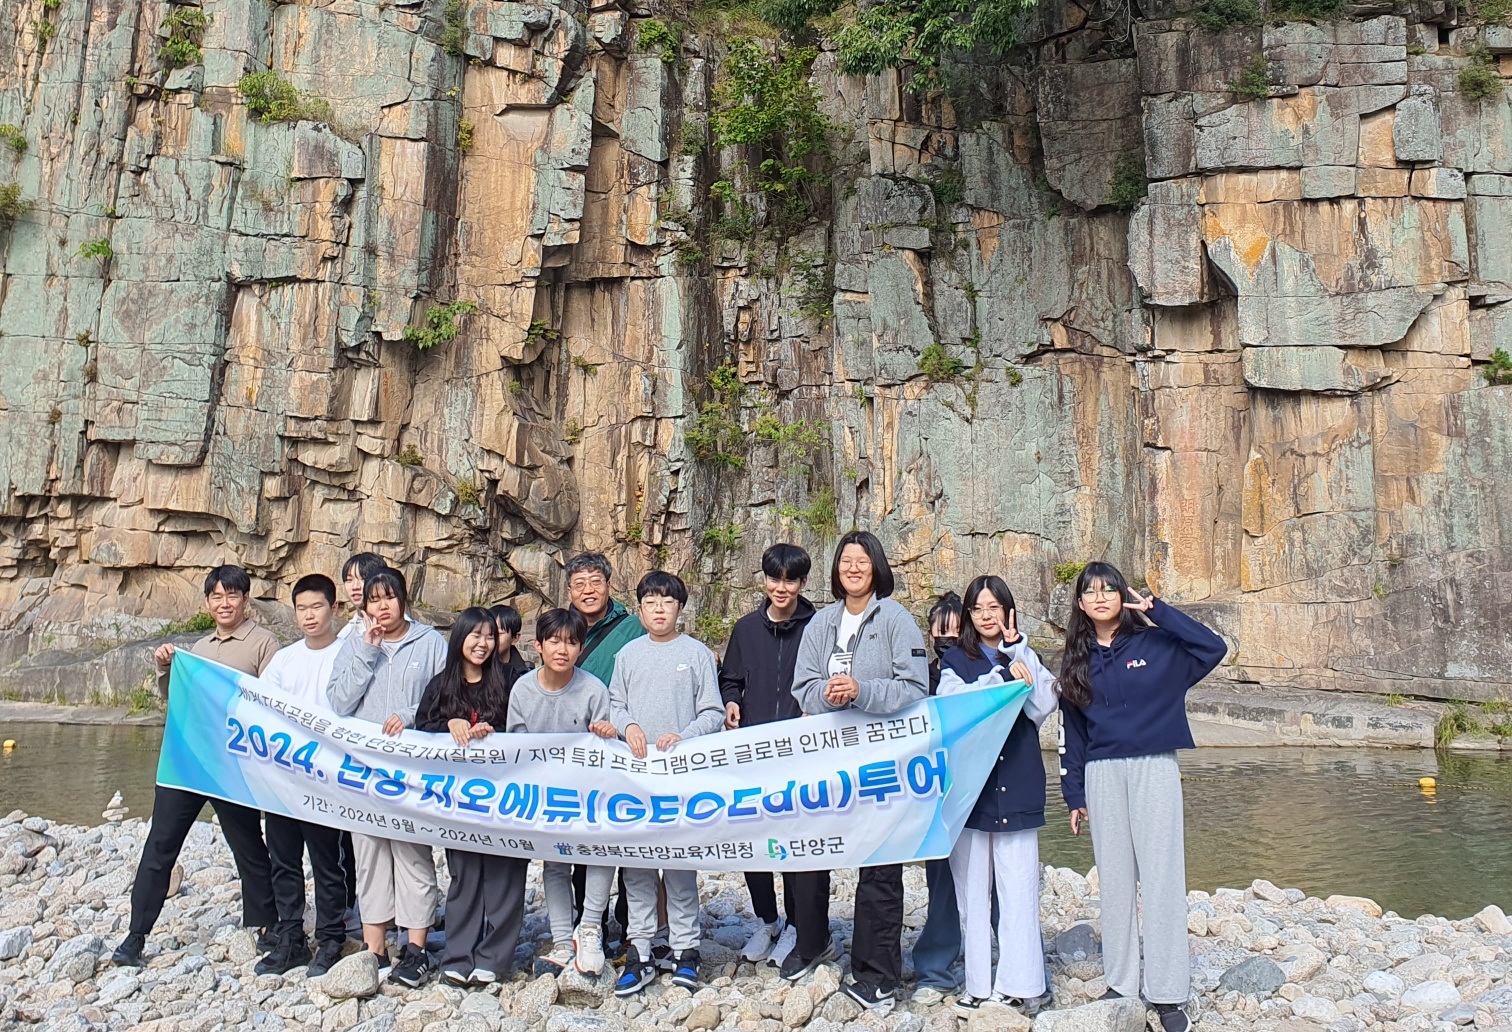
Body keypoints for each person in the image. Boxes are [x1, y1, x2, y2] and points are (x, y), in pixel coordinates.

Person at [1059, 562, 1227, 1032]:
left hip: (1154, 765)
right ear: (1080, 604)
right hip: (1102, 772)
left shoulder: (1157, 645)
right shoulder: (1076, 658)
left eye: (1108, 589)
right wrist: (1073, 792)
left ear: (1122, 595)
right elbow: (1071, 733)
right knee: (1114, 880)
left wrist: (1159, 612)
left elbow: (1214, 648)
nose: (1100, 598)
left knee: (1162, 877)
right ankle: (1121, 982)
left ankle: (1169, 993)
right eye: (1089, 592)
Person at [112, 565, 282, 967]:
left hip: (233, 765)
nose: (225, 604)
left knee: (248, 844)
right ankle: (136, 935)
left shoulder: (264, 643)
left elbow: (274, 703)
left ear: (245, 599)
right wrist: (166, 667)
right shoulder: (198, 649)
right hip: (186, 761)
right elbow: (179, 701)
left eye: (233, 596)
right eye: (217, 597)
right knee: (160, 844)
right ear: (207, 603)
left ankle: (266, 923)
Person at [790, 531, 928, 1014]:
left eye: (862, 560)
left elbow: (915, 687)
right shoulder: (821, 622)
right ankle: (811, 943)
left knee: (880, 866)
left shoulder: (895, 618)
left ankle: (877, 973)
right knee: (810, 851)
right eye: (845, 560)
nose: (853, 567)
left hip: (880, 762)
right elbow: (801, 686)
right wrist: (826, 694)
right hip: (826, 760)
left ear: (876, 568)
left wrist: (862, 691)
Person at [937, 576, 1057, 1016]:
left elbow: (1043, 705)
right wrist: (1000, 676)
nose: (986, 616)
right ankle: (976, 984)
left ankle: (1022, 983)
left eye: (994, 607)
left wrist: (1019, 653)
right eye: (978, 609)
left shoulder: (1026, 654)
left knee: (1019, 890)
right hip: (972, 792)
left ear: (1008, 611)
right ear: (969, 616)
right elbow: (954, 707)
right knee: (971, 892)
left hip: (1019, 785)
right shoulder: (955, 660)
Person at [327, 567, 448, 987]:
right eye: (373, 599)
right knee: (370, 855)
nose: (381, 606)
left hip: (413, 774)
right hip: (365, 773)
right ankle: (375, 947)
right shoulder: (355, 644)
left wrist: (411, 716)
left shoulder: (431, 642)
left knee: (413, 855)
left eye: (389, 597)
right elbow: (339, 702)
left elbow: (444, 699)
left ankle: (415, 948)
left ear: (403, 599)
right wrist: (367, 651)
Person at [607, 571, 725, 996]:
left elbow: (712, 711)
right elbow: (614, 703)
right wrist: (630, 725)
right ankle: (639, 950)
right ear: (639, 610)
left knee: (679, 864)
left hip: (681, 778)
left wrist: (686, 735)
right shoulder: (628, 655)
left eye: (667, 602)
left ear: (680, 608)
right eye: (651, 602)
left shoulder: (695, 654)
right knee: (637, 865)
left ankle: (686, 949)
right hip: (636, 777)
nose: (659, 610)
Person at [412, 608, 525, 987]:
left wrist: (492, 733)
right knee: (464, 876)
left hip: (506, 796)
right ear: (459, 637)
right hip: (458, 801)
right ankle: (458, 956)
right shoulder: (440, 685)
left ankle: (493, 958)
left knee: (505, 874)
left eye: (490, 636)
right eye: (475, 636)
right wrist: (450, 725)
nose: (483, 644)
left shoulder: (511, 680)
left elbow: (527, 731)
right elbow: (420, 731)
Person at [505, 609, 620, 977]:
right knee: (554, 862)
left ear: (580, 648)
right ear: (538, 645)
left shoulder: (593, 689)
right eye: (554, 641)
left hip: (589, 792)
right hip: (545, 793)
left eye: (571, 642)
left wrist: (605, 733)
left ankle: (588, 928)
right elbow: (516, 748)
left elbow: (608, 746)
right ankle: (559, 939)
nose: (562, 649)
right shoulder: (522, 689)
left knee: (600, 850)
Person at [718, 543, 816, 964]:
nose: (782, 587)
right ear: (764, 579)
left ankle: (796, 924)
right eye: (774, 578)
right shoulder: (744, 629)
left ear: (802, 583)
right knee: (752, 837)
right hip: (752, 753)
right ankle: (766, 920)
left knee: (794, 839)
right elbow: (730, 679)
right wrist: (731, 702)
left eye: (790, 579)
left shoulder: (819, 626)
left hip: (801, 752)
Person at [255, 574, 351, 977]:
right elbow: (261, 709)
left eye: (317, 607)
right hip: (283, 777)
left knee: (328, 862)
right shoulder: (284, 660)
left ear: (334, 609)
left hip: (326, 779)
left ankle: (330, 938)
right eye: (302, 609)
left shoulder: (349, 654)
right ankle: (291, 936)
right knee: (284, 859)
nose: (309, 616)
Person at [565, 552, 646, 947]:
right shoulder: (561, 629)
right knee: (585, 834)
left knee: (629, 834)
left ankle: (632, 926)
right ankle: (585, 922)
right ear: (569, 590)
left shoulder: (632, 626)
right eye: (579, 584)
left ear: (609, 585)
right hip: (580, 749)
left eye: (595, 582)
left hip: (625, 743)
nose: (588, 590)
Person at [910, 591, 964, 1006]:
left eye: (955, 628)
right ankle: (936, 963)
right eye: (940, 628)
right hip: (937, 792)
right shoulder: (920, 677)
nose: (947, 636)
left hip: (982, 787)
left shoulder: (984, 670)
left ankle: (1019, 960)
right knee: (941, 878)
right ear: (930, 631)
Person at [338, 552, 389, 639]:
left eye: (363, 579)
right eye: (349, 580)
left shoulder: (398, 626)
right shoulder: (346, 635)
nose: (355, 587)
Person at [489, 603, 532, 688]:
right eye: (490, 633)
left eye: (499, 634)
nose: (493, 639)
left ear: (515, 638)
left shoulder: (525, 674)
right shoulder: (475, 671)